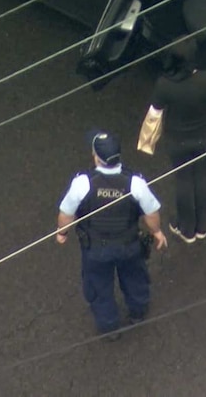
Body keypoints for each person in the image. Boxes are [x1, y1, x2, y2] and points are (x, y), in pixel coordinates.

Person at [56, 130, 167, 340]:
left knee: (98, 286)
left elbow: (66, 213)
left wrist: (62, 233)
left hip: (96, 249)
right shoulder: (135, 182)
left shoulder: (83, 183)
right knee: (135, 278)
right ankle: (138, 312)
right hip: (129, 245)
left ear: (97, 157)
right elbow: (151, 212)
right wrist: (157, 232)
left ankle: (109, 328)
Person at [140, 41, 206, 244]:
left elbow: (154, 115)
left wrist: (147, 141)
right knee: (203, 178)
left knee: (183, 180)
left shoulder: (164, 84)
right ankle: (204, 223)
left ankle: (186, 228)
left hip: (177, 141)